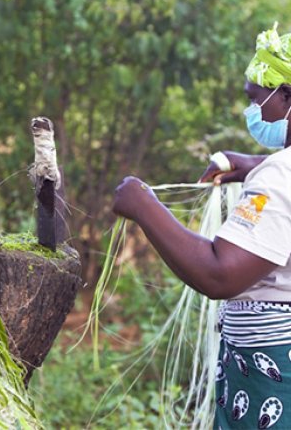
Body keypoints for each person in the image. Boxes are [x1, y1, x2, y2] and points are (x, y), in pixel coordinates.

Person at [112, 23, 291, 429]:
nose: (252, 112)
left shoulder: (281, 177)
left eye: (255, 99)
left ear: (286, 95)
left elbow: (220, 273)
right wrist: (253, 164)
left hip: (273, 379)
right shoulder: (276, 171)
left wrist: (144, 206)